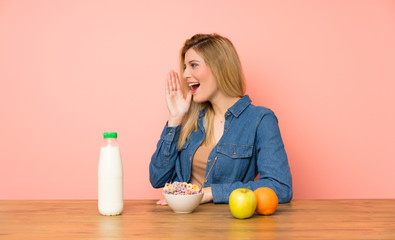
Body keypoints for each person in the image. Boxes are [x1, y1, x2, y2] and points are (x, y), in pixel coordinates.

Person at [149, 33, 292, 205]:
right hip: (181, 224)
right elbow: (158, 179)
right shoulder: (191, 121)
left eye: (194, 65)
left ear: (219, 67)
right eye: (185, 67)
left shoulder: (260, 119)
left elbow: (280, 186)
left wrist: (210, 193)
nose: (186, 74)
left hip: (228, 226)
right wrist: (175, 118)